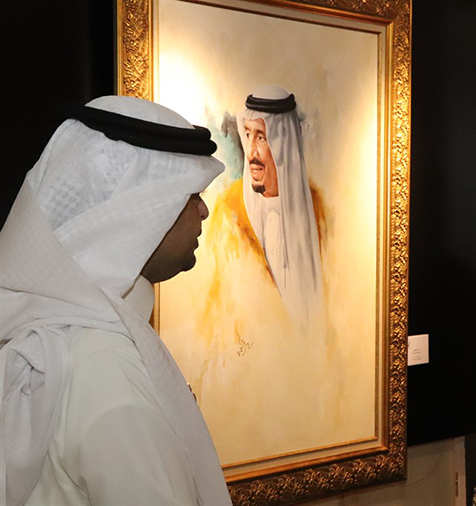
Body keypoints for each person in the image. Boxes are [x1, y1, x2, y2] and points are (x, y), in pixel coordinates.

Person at [0, 96, 232, 506]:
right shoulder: (109, 371)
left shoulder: (58, 332)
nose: (203, 210)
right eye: (190, 194)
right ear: (137, 208)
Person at [236, 85, 325, 331]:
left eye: (261, 138)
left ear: (283, 145)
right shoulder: (232, 213)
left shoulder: (318, 210)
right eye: (247, 135)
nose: (251, 152)